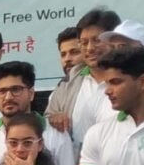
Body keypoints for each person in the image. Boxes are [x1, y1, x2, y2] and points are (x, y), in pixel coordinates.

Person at [0, 61, 75, 165]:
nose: (8, 97)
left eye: (15, 89)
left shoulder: (56, 133)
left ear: (31, 93)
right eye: (2, 91)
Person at [45, 7, 121, 141]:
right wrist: (53, 119)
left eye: (97, 40)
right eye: (84, 43)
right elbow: (47, 120)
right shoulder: (67, 84)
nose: (90, 48)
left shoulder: (133, 80)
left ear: (114, 41)